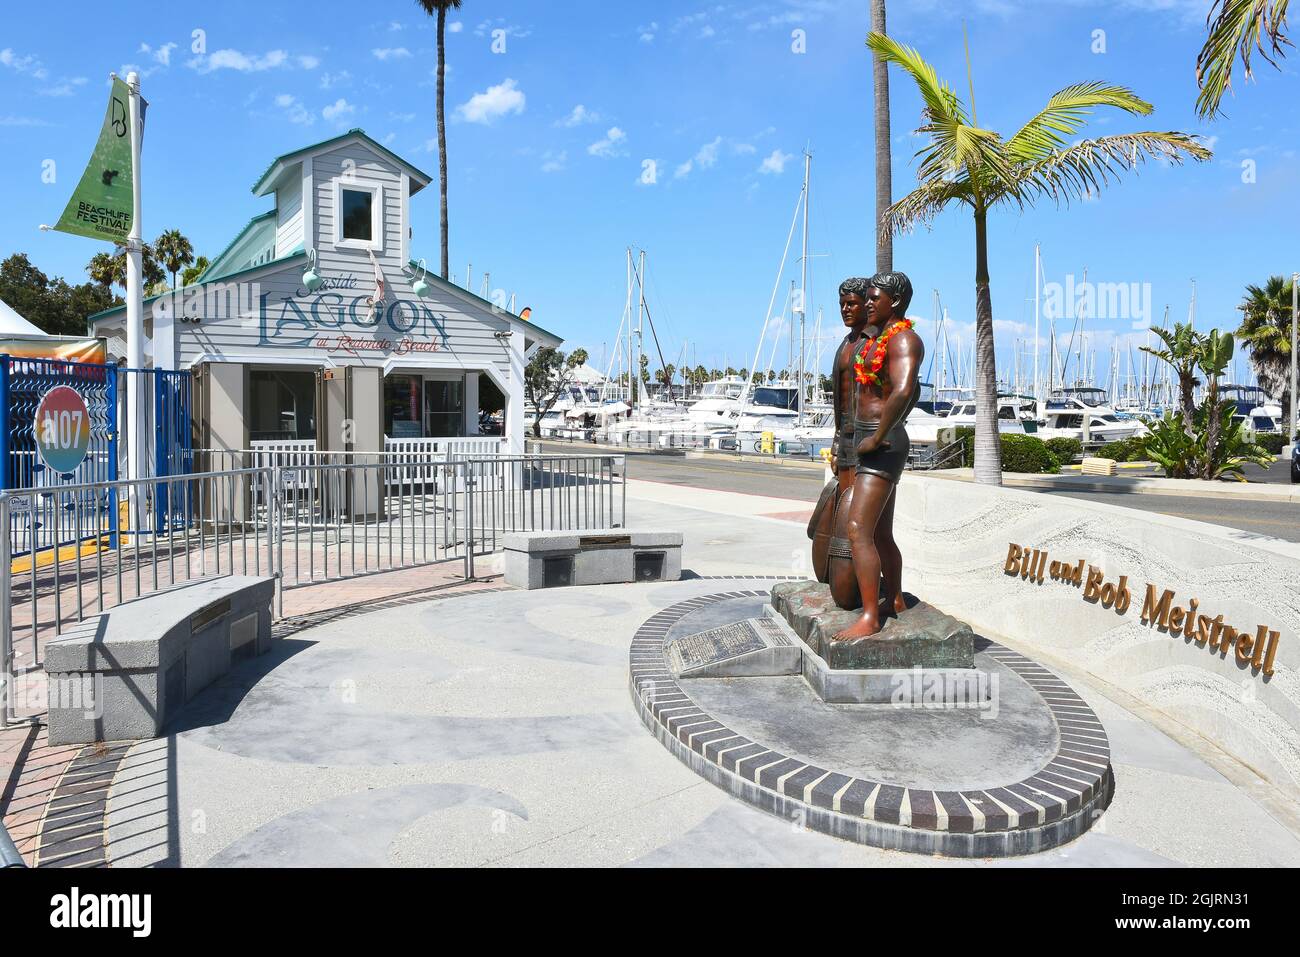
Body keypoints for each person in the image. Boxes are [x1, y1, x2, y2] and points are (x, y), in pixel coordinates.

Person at [825, 272, 923, 639]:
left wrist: (879, 435)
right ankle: (894, 599)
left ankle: (870, 617)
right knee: (880, 533)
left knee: (857, 528)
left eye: (873, 298)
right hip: (867, 438)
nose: (866, 303)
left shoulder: (904, 340)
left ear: (894, 302)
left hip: (881, 444)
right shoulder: (878, 340)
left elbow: (904, 390)